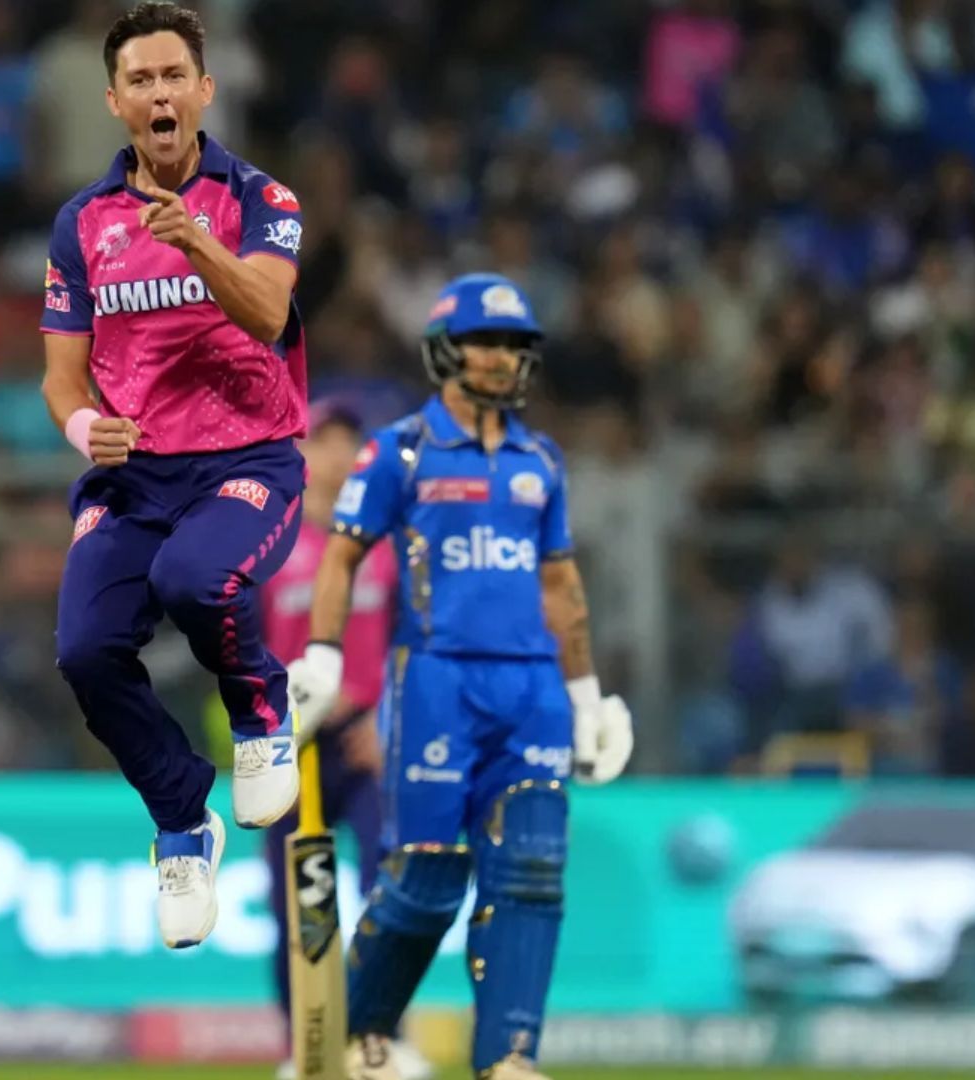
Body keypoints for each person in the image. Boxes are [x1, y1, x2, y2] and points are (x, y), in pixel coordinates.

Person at [286, 274, 635, 1080]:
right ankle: (351, 1038)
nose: (502, 359)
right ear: (447, 350)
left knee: (534, 871)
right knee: (426, 879)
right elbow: (342, 556)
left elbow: (561, 588)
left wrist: (587, 698)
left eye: (516, 346)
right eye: (487, 341)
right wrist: (326, 658)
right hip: (438, 681)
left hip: (535, 690)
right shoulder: (399, 450)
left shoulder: (540, 459)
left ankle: (510, 1056)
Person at [40, 1, 309, 950]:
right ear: (115, 102)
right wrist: (85, 428)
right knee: (84, 649)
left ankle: (261, 711)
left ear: (205, 90)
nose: (159, 94)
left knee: (194, 579)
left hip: (247, 458)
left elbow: (269, 316)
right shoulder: (83, 225)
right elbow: (61, 376)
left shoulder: (262, 201)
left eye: (172, 77)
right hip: (136, 477)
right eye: (139, 81)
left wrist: (196, 240)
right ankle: (179, 817)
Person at [258, 400, 434, 1080]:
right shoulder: (266, 544)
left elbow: (414, 645)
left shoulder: (387, 545)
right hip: (291, 747)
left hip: (368, 746)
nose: (334, 456)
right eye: (320, 442)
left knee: (391, 890)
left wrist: (388, 723)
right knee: (294, 906)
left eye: (347, 444)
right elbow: (236, 648)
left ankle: (381, 1038)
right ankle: (304, 1045)